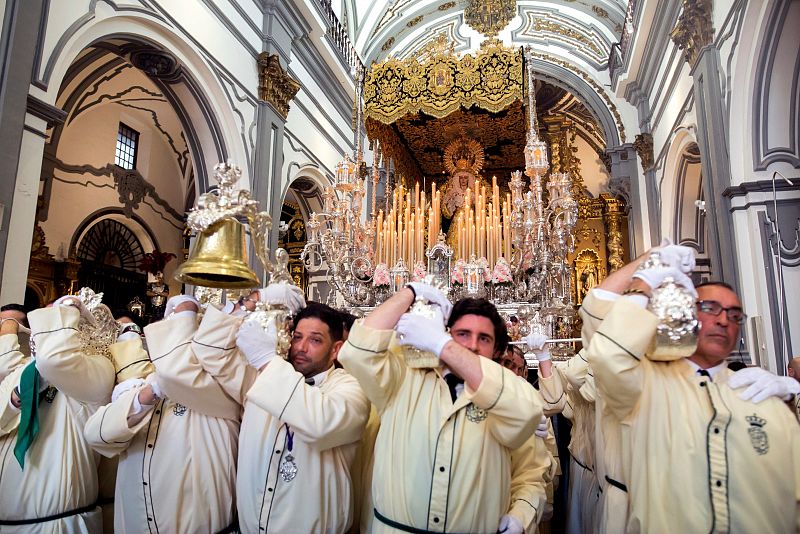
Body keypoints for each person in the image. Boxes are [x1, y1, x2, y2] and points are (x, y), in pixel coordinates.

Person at [588, 254, 800, 532]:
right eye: (710, 308)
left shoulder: (762, 394)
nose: (724, 320)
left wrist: (793, 392)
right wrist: (645, 280)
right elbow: (608, 356)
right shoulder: (645, 387)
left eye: (734, 315)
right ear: (685, 313)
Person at [338, 283, 543, 532]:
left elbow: (530, 472)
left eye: (484, 339)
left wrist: (520, 515)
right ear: (447, 331)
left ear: (497, 350)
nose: (473, 345)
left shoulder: (508, 395)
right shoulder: (403, 377)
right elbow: (357, 350)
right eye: (463, 334)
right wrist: (411, 291)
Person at [197, 285, 369, 533]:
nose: (301, 347)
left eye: (315, 340)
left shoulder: (350, 388)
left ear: (336, 350)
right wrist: (254, 300)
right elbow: (208, 350)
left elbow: (319, 423)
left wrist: (266, 359)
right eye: (297, 337)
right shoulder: (260, 377)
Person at [84, 295, 240, 532]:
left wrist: (187, 312)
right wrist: (149, 394)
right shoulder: (143, 386)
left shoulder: (221, 392)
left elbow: (179, 370)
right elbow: (96, 435)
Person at [0, 296, 115, 531]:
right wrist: (16, 398)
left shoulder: (99, 369)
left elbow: (55, 360)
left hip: (56, 524)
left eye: (56, 319)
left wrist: (68, 305)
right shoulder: (22, 370)